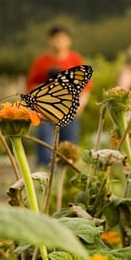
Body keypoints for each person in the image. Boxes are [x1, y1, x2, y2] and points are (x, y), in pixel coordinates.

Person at [26, 24, 91, 167]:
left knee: (68, 149)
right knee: (45, 147)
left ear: (69, 41)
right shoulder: (41, 62)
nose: (59, 42)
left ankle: (67, 181)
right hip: (46, 113)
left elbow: (86, 88)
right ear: (50, 41)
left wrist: (80, 104)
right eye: (55, 39)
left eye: (62, 39)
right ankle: (45, 177)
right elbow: (30, 87)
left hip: (69, 111)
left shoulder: (75, 60)